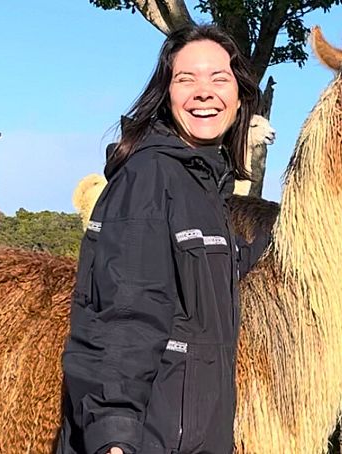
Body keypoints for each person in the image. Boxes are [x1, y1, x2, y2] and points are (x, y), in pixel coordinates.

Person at [56, 23, 267, 454]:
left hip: (193, 433)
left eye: (219, 78)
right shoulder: (150, 177)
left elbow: (201, 282)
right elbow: (122, 317)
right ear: (167, 95)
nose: (203, 92)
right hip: (146, 441)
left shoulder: (204, 187)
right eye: (186, 79)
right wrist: (114, 436)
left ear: (241, 96)